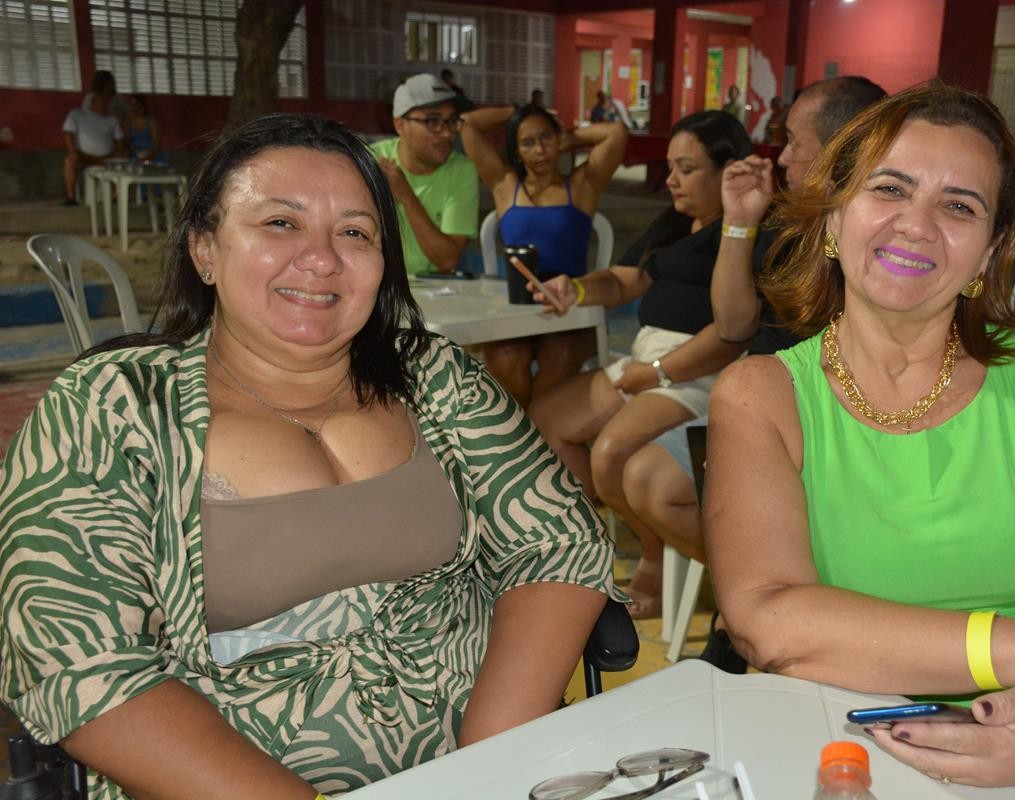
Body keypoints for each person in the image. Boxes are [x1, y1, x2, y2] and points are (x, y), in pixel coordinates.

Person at [0, 113, 616, 799]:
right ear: (205, 249)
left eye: (354, 232)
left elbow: (556, 542)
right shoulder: (116, 404)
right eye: (280, 223)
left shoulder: (436, 376)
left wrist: (490, 764)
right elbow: (79, 664)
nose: (322, 259)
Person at [703, 81, 1015, 797]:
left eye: (959, 206)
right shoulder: (761, 396)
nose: (916, 225)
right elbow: (769, 624)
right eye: (890, 189)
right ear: (833, 217)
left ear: (991, 251)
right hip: (858, 735)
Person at [620, 76, 886, 643]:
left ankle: (764, 609)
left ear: (841, 149)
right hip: (761, 400)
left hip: (829, 416)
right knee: (646, 477)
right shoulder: (787, 219)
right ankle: (763, 596)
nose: (781, 157)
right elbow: (735, 325)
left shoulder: (879, 232)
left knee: (652, 474)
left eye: (793, 142)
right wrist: (740, 222)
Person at [529, 110, 762, 620]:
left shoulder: (745, 232)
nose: (671, 180)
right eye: (670, 167)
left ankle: (653, 561)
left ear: (728, 171)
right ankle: (614, 539)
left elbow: (732, 334)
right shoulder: (674, 222)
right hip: (645, 359)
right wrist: (576, 289)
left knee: (611, 451)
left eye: (686, 169)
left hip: (697, 371)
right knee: (545, 425)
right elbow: (623, 280)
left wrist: (659, 372)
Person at [461, 103, 629, 406]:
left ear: (558, 140)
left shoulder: (582, 185)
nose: (539, 150)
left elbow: (617, 133)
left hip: (571, 308)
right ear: (516, 151)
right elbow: (468, 124)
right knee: (506, 357)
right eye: (527, 143)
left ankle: (532, 428)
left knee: (559, 356)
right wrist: (517, 111)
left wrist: (569, 137)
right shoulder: (504, 184)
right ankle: (529, 427)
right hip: (516, 307)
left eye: (546, 138)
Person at [369, 74, 479, 275]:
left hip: (433, 286)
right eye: (433, 121)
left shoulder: (461, 170)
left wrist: (406, 195)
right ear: (401, 126)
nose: (447, 133)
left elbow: (447, 260)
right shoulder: (369, 162)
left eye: (451, 121)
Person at [62, 70, 125, 206]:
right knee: (69, 160)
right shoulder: (77, 114)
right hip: (84, 158)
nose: (105, 102)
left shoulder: (112, 120)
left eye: (107, 100)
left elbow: (120, 143)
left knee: (120, 162)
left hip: (107, 159)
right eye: (101, 99)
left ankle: (115, 197)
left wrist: (117, 154)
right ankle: (71, 197)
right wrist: (72, 151)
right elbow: (68, 134)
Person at [124, 94, 163, 163]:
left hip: (152, 155)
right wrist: (133, 151)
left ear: (142, 106)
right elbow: (127, 142)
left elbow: (156, 144)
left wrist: (149, 156)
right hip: (135, 155)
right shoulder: (127, 123)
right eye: (131, 104)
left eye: (136, 104)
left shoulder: (151, 122)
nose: (133, 107)